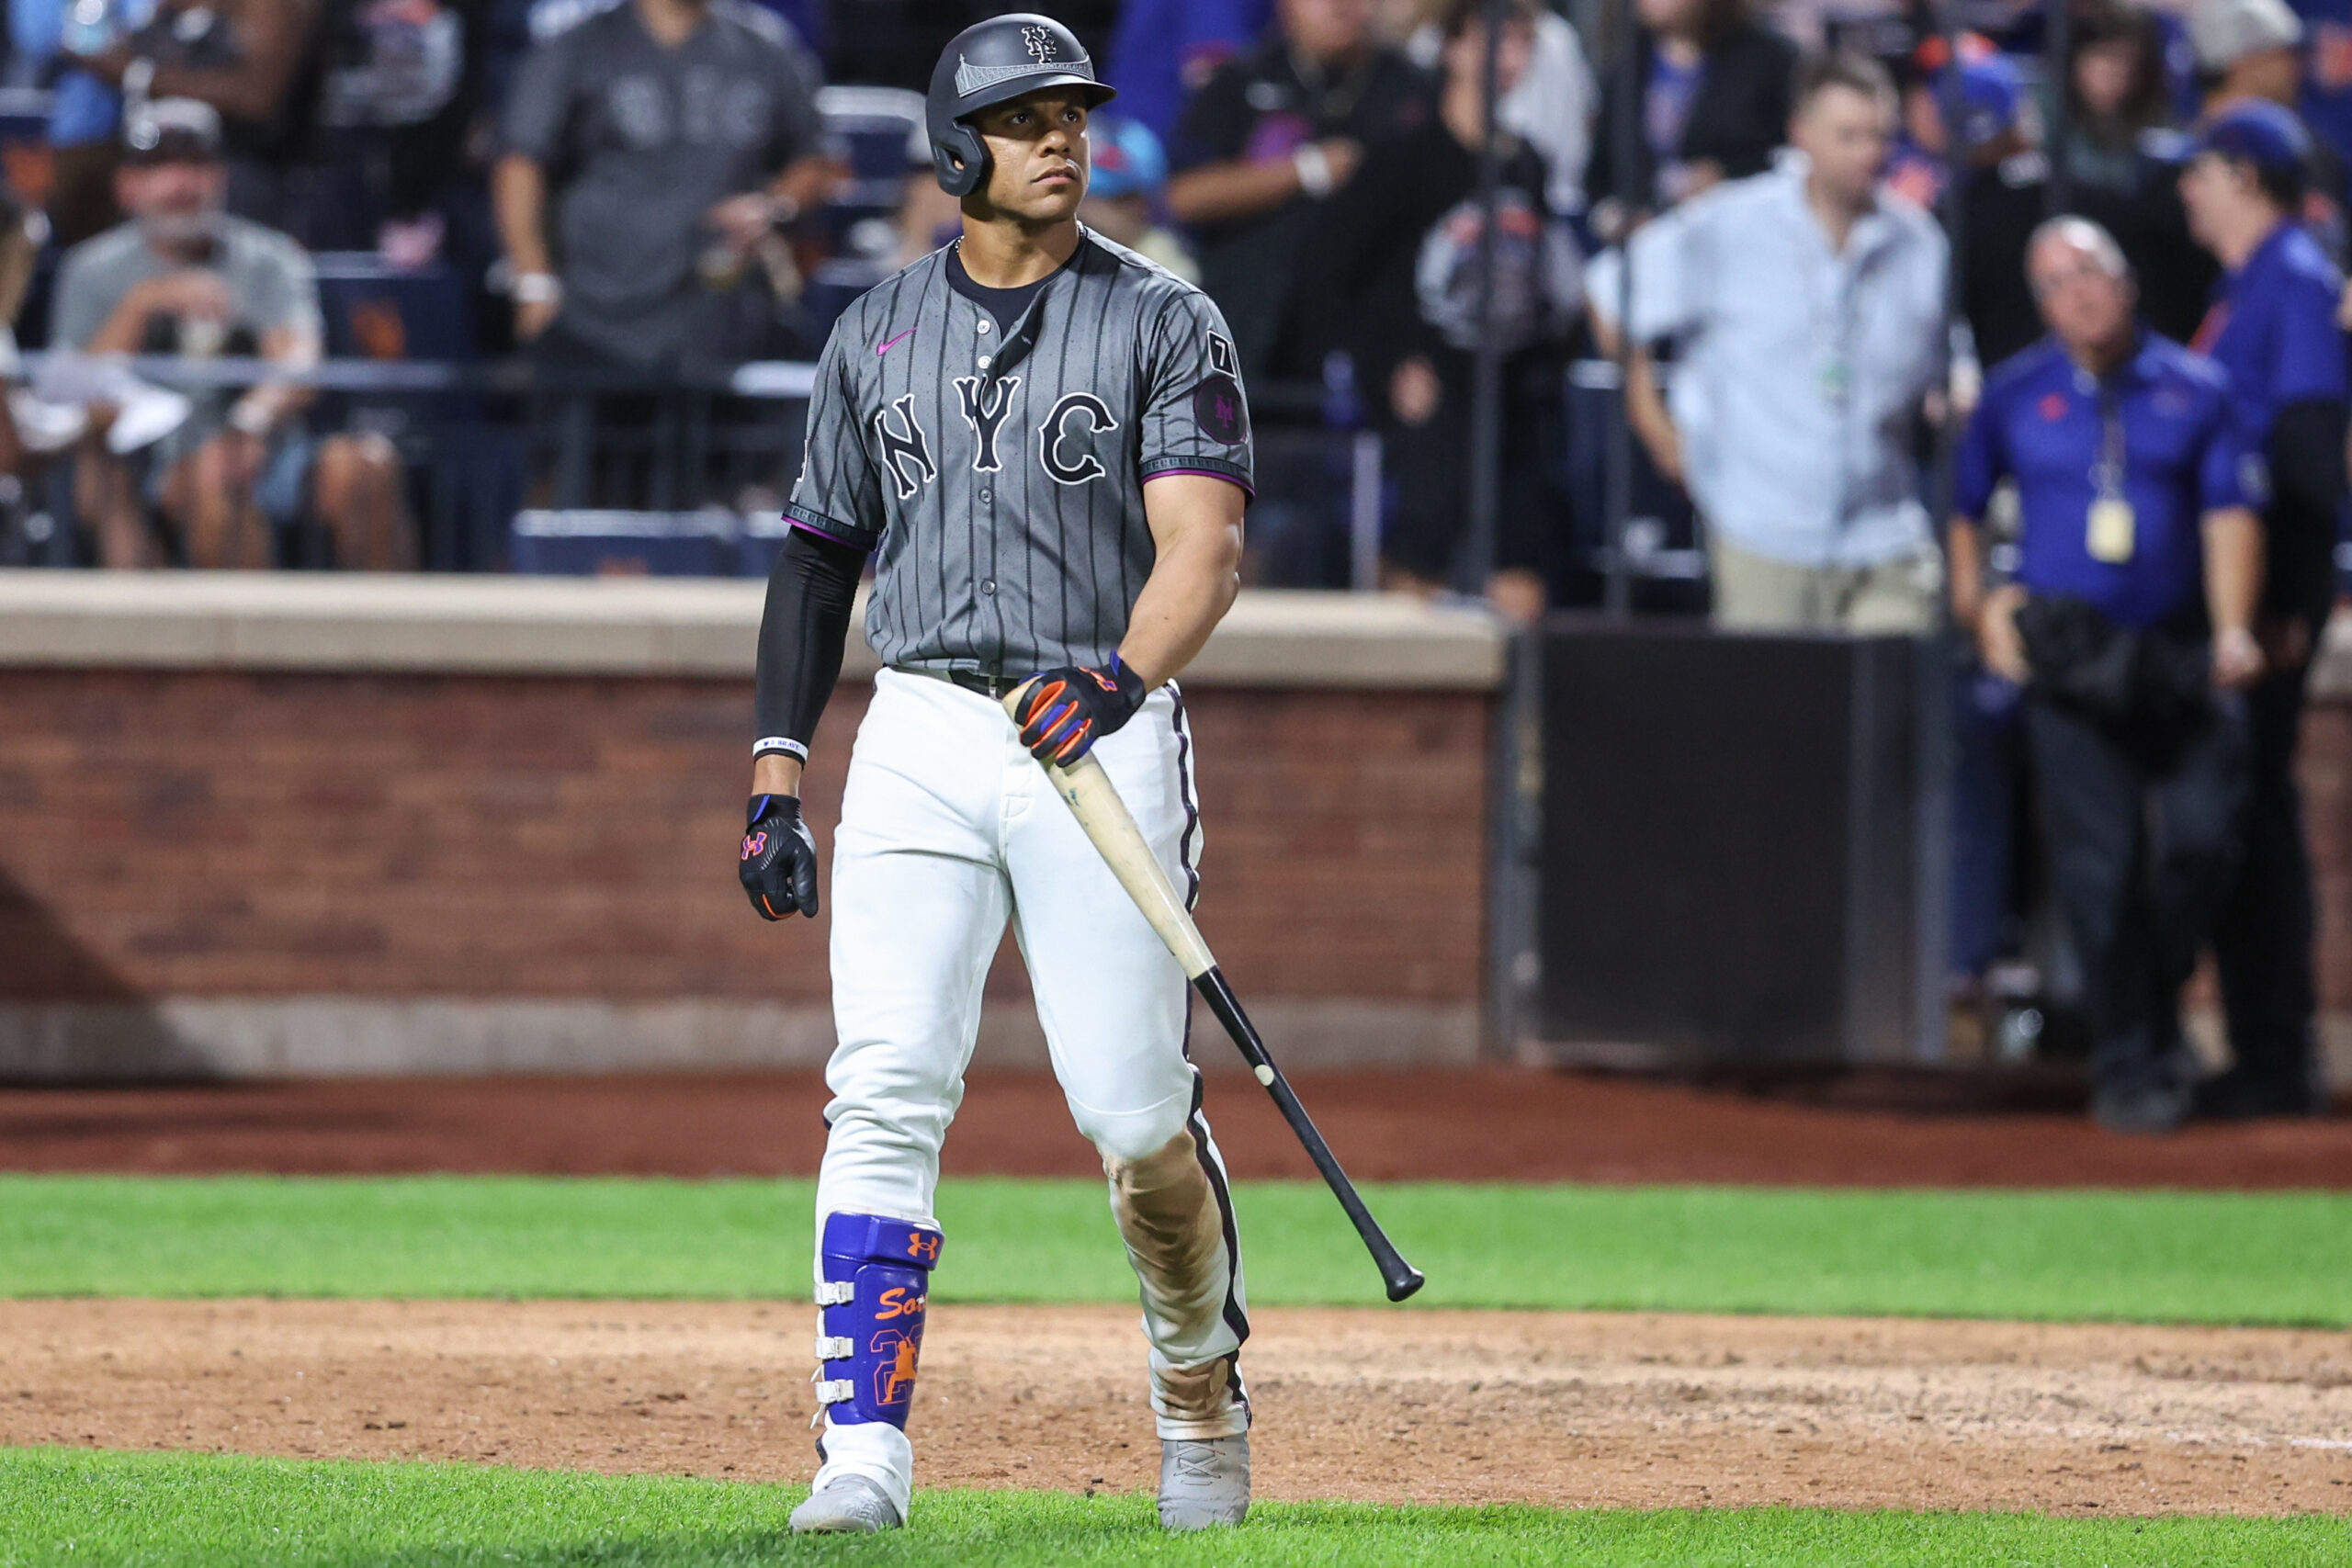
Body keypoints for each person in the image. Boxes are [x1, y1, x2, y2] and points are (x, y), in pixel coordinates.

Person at [739, 14, 1257, 1536]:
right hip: (920, 725)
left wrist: (1120, 677)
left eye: (1071, 113)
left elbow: (1206, 547)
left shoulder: (1166, 319)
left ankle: (1198, 1388)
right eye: (1026, 118)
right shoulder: (874, 329)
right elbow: (817, 559)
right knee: (884, 1082)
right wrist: (776, 775)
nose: (1061, 138)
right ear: (955, 149)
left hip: (1094, 723)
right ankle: (860, 1448)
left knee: (1133, 1112)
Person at [1950, 218, 2265, 1135]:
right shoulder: (2015, 395)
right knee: (2101, 871)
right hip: (2071, 661)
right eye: (2054, 281)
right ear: (2040, 303)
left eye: (2089, 271)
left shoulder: (2195, 388)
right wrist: (1981, 609)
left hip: (2175, 650)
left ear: (2126, 282)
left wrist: (2234, 630)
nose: (2077, 292)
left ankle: (2151, 1012)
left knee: (2200, 844)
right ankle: (2131, 1064)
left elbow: (2230, 512)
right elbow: (1963, 507)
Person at [1618, 51, 1949, 633]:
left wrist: (1951, 390)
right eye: (1849, 136)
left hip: (1885, 531)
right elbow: (1615, 292)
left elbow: (1943, 357)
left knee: (1897, 679)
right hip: (1763, 529)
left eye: (1880, 136)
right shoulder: (1733, 223)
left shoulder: (1919, 242)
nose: (1869, 153)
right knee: (1773, 692)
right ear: (1802, 135)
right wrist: (1655, 424)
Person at [2177, 102, 2350, 1118]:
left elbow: (2311, 450)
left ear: (2243, 176)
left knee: (2252, 816)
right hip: (2241, 591)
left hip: (2268, 593)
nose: (2187, 190)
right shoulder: (2251, 283)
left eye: (2200, 172)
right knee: (2240, 812)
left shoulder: (2290, 278)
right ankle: (2264, 1046)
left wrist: (2283, 601)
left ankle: (2275, 1052)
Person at [1298, 0, 1575, 617]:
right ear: (1453, 48)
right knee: (1413, 577)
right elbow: (1330, 274)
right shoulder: (1404, 157)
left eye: (1521, 42)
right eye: (1492, 39)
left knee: (1522, 586)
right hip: (1427, 410)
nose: (1507, 57)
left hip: (1508, 405)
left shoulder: (1527, 162)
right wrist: (1386, 366)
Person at [52, 97, 412, 570]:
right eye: (159, 166)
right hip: (149, 461)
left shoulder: (269, 258)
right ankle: (237, 625)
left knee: (367, 466)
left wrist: (250, 423)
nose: (180, 182)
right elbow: (67, 390)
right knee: (206, 486)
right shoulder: (91, 269)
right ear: (127, 185)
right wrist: (142, 305)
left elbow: (299, 362)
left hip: (265, 448)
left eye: (196, 164)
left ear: (221, 177)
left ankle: (382, 622)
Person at [493, 0, 830, 378]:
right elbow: (520, 162)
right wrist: (534, 282)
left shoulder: (764, 47)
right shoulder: (579, 47)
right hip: (594, 315)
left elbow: (815, 159)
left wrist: (771, 206)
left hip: (723, 315)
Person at [1165, 0, 1436, 379]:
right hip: (1249, 331)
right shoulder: (1241, 80)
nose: (1340, 6)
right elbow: (1182, 197)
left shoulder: (1415, 90)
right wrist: (1304, 171)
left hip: (1372, 340)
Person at [1585, 0, 1798, 235]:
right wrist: (1615, 218)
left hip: (1739, 232)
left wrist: (1725, 177)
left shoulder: (1767, 61)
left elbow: (1786, 158)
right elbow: (1599, 177)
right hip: (1650, 240)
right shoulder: (1628, 65)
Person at [1078, 114, 1198, 280]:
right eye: (1079, 200)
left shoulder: (1166, 269)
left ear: (1142, 206)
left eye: (1113, 201)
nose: (1089, 214)